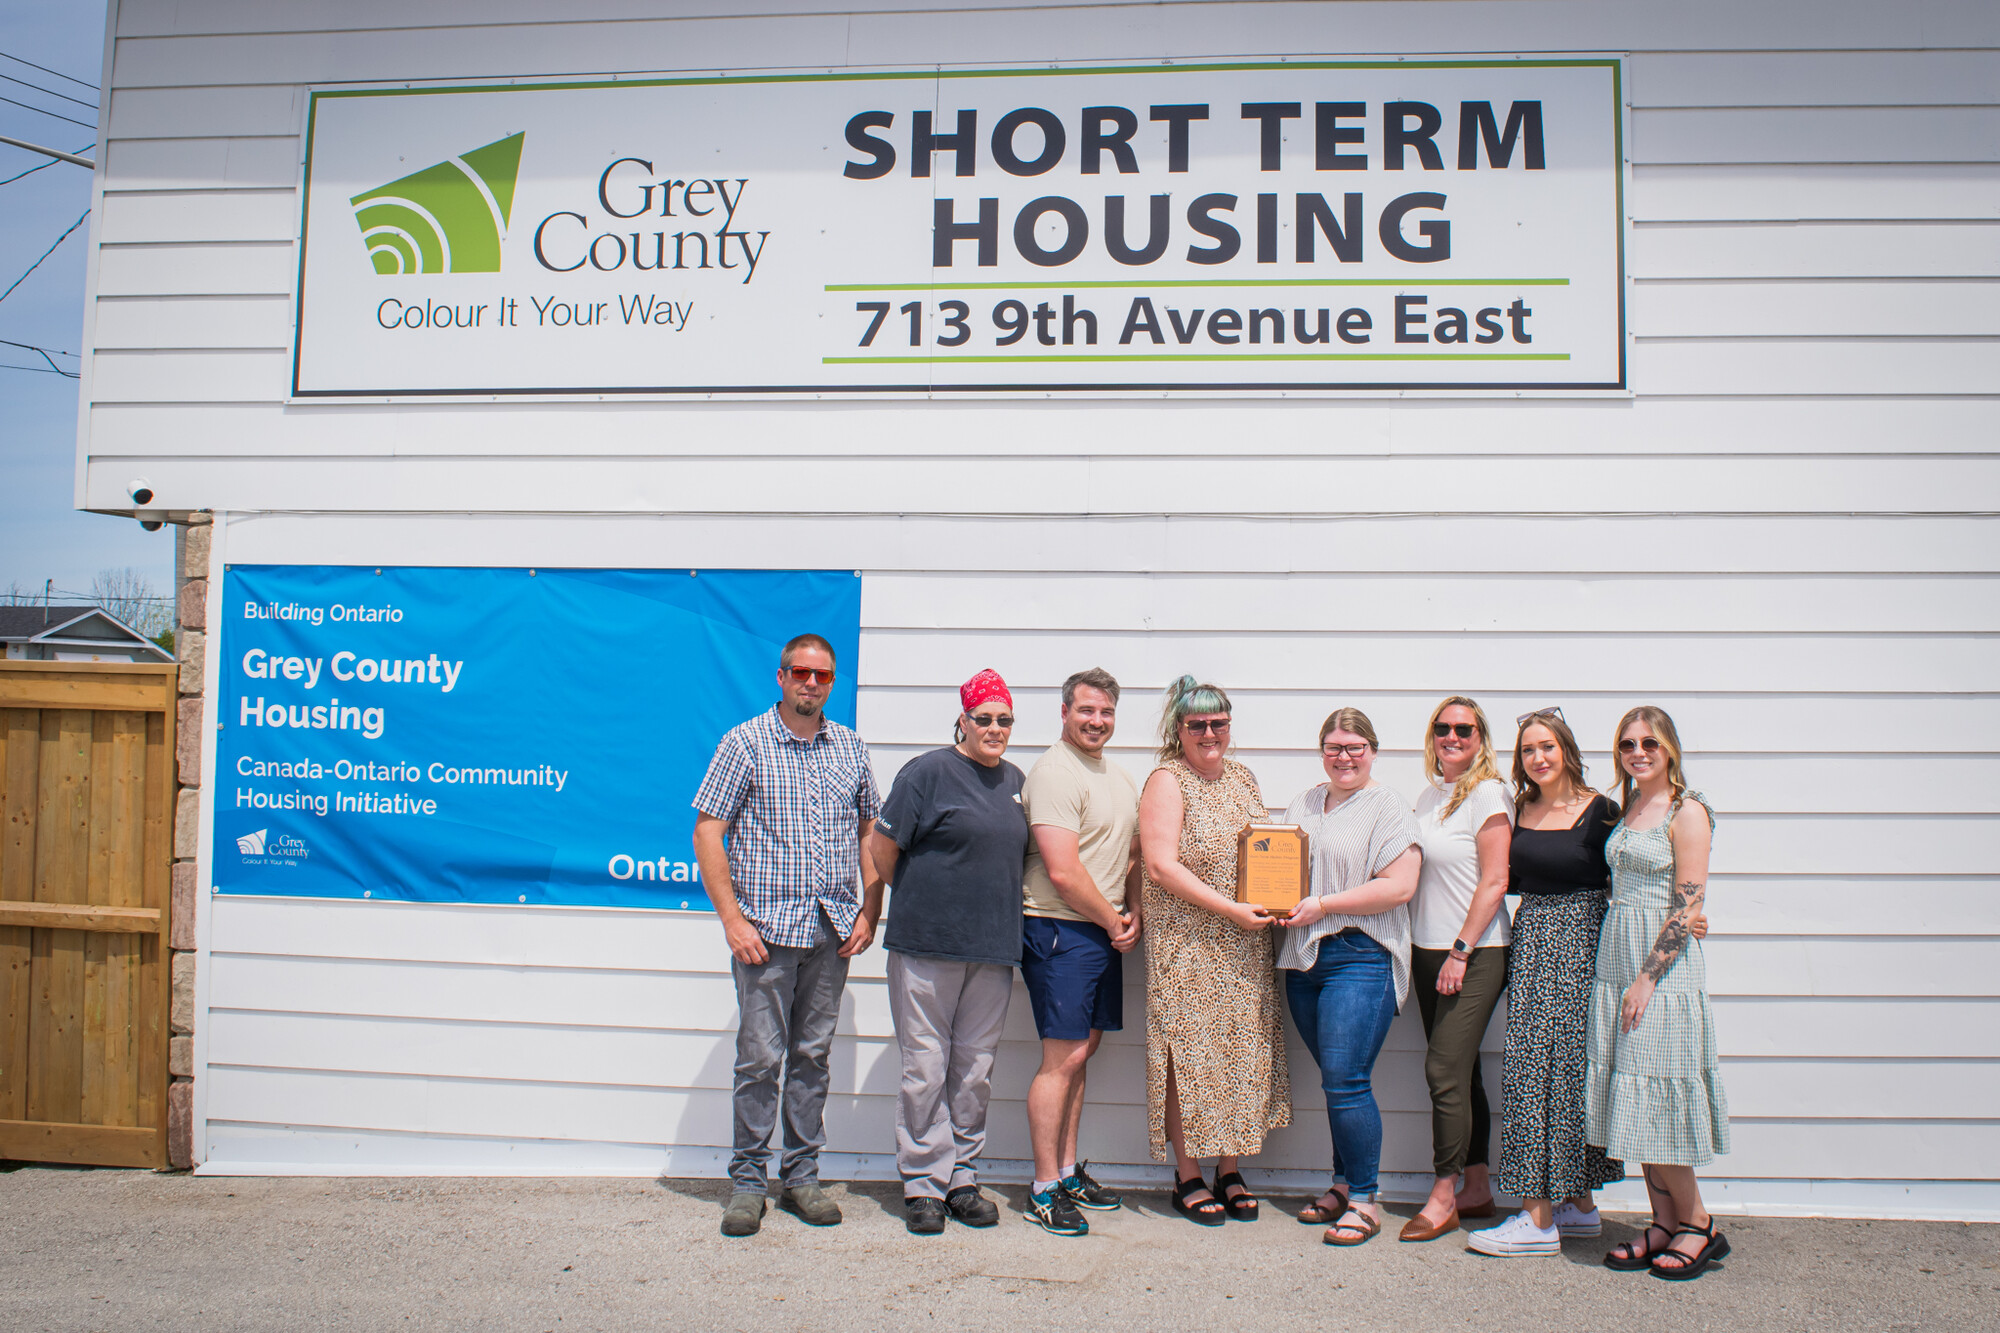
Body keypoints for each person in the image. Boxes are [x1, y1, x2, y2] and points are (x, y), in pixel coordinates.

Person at [692, 633, 883, 1238]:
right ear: (780, 677)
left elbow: (869, 834)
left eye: (823, 676)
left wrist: (868, 911)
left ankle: (802, 1179)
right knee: (759, 1060)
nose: (811, 683)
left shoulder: (850, 748)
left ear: (833, 683)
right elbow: (707, 832)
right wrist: (732, 920)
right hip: (765, 934)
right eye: (801, 672)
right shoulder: (744, 742)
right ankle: (748, 1184)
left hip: (830, 932)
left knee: (812, 1059)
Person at [866, 669, 1032, 1235]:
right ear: (962, 720)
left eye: (1003, 719)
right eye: (982, 717)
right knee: (925, 1068)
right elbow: (882, 849)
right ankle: (922, 1184)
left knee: (974, 1071)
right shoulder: (928, 772)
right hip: (927, 945)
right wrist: (918, 898)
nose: (994, 727)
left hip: (992, 949)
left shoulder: (1015, 780)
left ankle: (962, 1176)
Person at [1136, 676, 1290, 1226]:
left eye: (1217, 722)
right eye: (1196, 723)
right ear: (1178, 730)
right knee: (1188, 1057)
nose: (1208, 732)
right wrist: (1229, 908)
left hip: (1245, 943)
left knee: (1239, 1053)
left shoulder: (1243, 777)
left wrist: (1278, 900)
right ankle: (1188, 1174)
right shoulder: (1167, 780)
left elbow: (1266, 850)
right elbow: (1160, 865)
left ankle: (1229, 1168)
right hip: (1188, 945)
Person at [1586, 706, 1733, 1280]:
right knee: (1635, 1095)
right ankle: (1663, 1220)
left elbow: (1687, 902)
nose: (1638, 751)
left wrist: (1647, 977)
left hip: (1660, 973)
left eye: (1649, 742)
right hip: (1616, 959)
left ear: (1669, 747)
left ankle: (1699, 1224)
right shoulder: (1628, 807)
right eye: (1628, 743)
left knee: (1659, 1087)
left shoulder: (1686, 810)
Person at [1277, 707, 1423, 1247]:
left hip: (1361, 956)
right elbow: (1278, 865)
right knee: (1336, 1081)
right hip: (1304, 960)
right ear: (1322, 752)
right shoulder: (1305, 802)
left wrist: (1323, 905)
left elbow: (1399, 886)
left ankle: (1364, 1199)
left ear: (1372, 751)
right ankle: (1340, 1184)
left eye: (1355, 747)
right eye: (1335, 747)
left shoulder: (1387, 807)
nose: (1344, 757)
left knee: (1346, 1079)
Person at [1018, 667, 1141, 1237]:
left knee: (1081, 1052)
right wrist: (1113, 918)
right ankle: (1043, 1189)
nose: (1097, 721)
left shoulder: (1114, 775)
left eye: (1106, 712)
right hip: (1060, 930)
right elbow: (1063, 872)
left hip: (1101, 930)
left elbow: (1129, 856)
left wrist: (1130, 909)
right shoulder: (1054, 772)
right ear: (1064, 711)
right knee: (1060, 1058)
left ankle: (1067, 1171)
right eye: (1086, 710)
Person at [1402, 696, 1513, 1241]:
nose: (1452, 737)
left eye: (1464, 729)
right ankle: (1477, 1187)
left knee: (1442, 1073)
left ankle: (1443, 1195)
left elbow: (1495, 881)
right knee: (1462, 1072)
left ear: (1480, 738)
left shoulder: (1489, 794)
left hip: (1474, 951)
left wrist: (1461, 950)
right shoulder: (1429, 795)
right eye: (1442, 728)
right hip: (1426, 949)